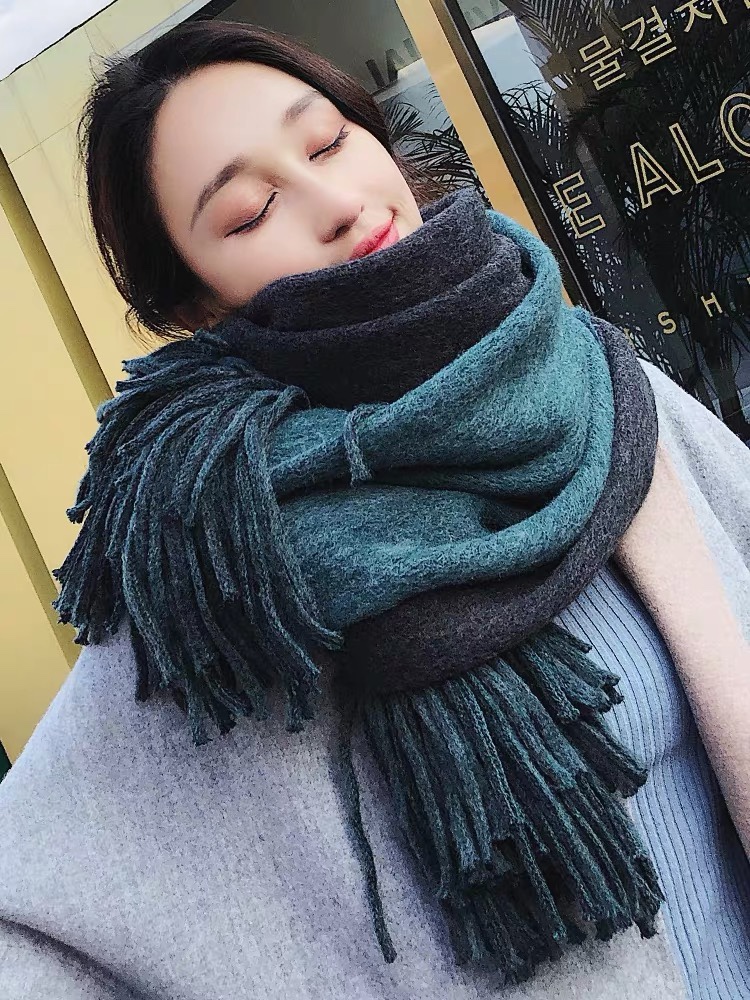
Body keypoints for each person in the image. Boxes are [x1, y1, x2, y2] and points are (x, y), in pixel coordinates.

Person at [0, 18, 749, 1000]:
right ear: (198, 306)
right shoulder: (225, 560)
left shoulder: (602, 386)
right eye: (250, 211)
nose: (337, 203)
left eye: (327, 143)